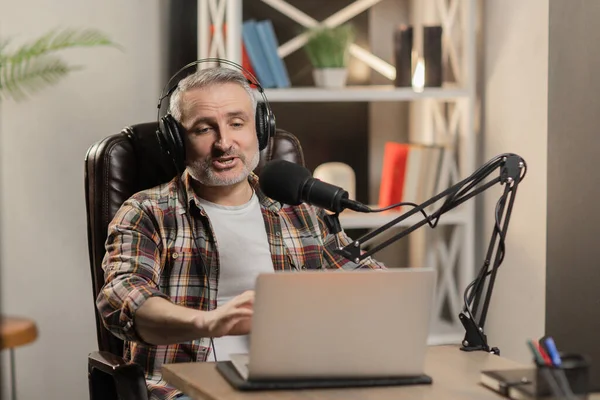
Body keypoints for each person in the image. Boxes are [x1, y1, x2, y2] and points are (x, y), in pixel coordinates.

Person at [96, 65, 386, 400]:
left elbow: (367, 281)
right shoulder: (147, 212)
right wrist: (210, 322)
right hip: (186, 389)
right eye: (204, 129)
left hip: (295, 383)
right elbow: (122, 301)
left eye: (237, 123)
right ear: (176, 141)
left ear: (261, 129)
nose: (224, 143)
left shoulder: (300, 208)